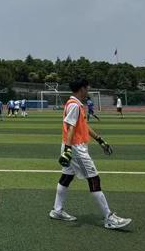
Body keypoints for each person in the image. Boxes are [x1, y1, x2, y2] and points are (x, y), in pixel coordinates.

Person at [49, 79, 132, 230]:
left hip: (72, 146)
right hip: (76, 149)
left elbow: (84, 126)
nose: (88, 91)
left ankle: (57, 210)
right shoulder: (75, 105)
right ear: (81, 89)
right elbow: (71, 128)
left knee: (66, 178)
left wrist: (99, 140)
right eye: (87, 88)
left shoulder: (74, 104)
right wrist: (68, 149)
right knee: (94, 179)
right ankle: (109, 218)